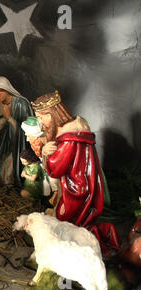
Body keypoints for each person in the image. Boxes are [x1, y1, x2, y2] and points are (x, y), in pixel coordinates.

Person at [32, 90, 120, 257]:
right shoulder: (75, 131)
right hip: (84, 183)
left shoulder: (69, 138)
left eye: (42, 117)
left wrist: (46, 152)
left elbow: (56, 169)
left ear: (52, 114)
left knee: (67, 222)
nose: (40, 121)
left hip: (76, 187)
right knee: (78, 222)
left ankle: (77, 253)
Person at [0, 76, 34, 186]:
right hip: (6, 144)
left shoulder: (21, 103)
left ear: (6, 91)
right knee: (3, 176)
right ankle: (7, 189)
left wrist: (9, 118)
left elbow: (27, 131)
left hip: (20, 146)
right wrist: (4, 119)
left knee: (12, 173)